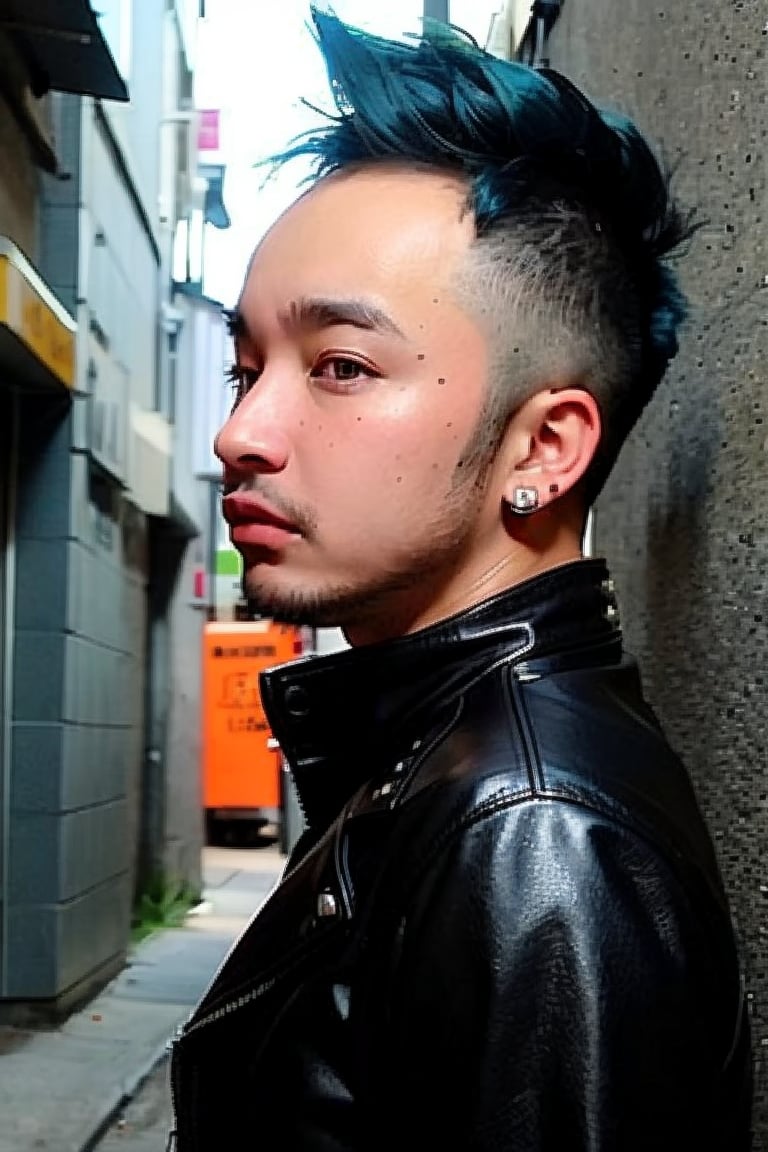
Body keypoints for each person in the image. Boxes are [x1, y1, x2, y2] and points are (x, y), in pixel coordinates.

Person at [168, 10, 752, 1150]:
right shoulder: (433, 766)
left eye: (340, 366)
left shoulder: (533, 838)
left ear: (543, 450)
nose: (241, 431)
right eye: (247, 368)